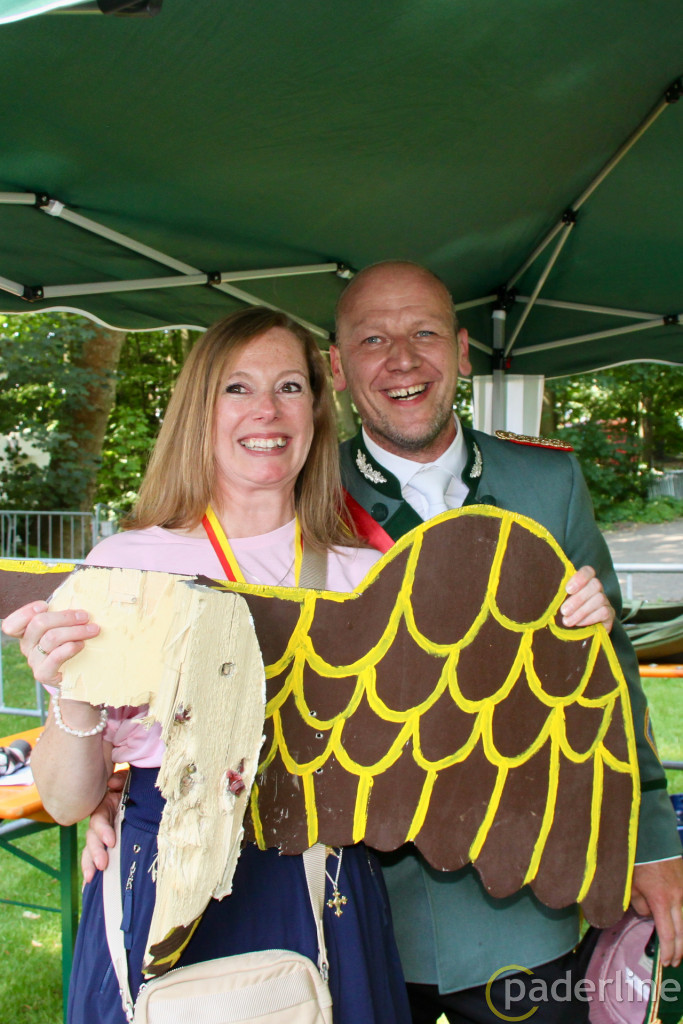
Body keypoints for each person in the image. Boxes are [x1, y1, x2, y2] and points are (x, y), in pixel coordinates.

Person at [2, 307, 412, 1024]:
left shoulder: (367, 577)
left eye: (289, 387)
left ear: (317, 413)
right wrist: (72, 690)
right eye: (237, 387)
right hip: (164, 871)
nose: (267, 410)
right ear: (199, 410)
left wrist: (572, 617)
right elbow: (67, 802)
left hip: (322, 875)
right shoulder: (125, 564)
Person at [327, 260, 683, 1024]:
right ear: (335, 366)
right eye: (372, 339)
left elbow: (610, 676)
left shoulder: (545, 483)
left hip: (523, 897)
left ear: (462, 352)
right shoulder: (301, 492)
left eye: (424, 334)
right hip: (356, 906)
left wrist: (650, 842)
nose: (401, 360)